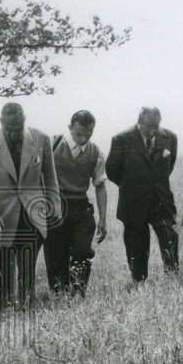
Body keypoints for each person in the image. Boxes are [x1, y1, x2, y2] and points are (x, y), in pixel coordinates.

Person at [0, 102, 60, 309]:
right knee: (3, 274)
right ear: (1, 122)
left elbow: (51, 179)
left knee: (27, 272)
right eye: (8, 129)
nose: (13, 134)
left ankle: (27, 307)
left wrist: (54, 208)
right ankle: (4, 308)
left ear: (24, 120)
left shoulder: (41, 139)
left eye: (17, 129)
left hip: (31, 217)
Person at [107, 106, 179, 286]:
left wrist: (154, 184)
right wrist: (133, 187)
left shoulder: (170, 137)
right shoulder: (121, 139)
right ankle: (139, 282)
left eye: (155, 127)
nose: (152, 131)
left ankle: (172, 279)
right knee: (137, 244)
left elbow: (169, 166)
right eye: (148, 127)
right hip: (133, 201)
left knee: (169, 236)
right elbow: (112, 171)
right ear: (139, 122)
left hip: (160, 200)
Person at [44, 109, 108, 297]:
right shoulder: (52, 145)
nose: (83, 138)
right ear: (70, 128)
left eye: (88, 134)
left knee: (83, 250)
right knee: (56, 255)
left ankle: (79, 292)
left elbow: (100, 185)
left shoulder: (96, 152)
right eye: (79, 133)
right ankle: (60, 295)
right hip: (54, 208)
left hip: (80, 208)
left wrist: (103, 219)